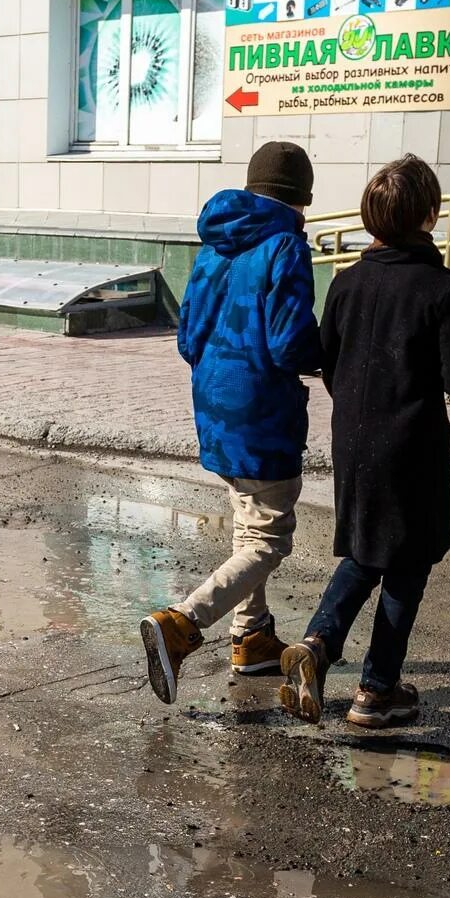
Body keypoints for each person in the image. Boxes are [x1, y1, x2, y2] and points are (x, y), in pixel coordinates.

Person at [277, 156, 450, 729]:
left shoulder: (346, 283)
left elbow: (328, 363)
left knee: (367, 549)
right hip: (412, 444)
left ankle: (316, 646)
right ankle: (376, 689)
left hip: (354, 439)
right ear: (431, 216)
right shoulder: (446, 289)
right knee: (409, 563)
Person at [138, 141, 324, 703]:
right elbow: (290, 342)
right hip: (262, 412)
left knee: (247, 526)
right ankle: (181, 625)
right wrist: (332, 351)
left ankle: (252, 641)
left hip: (214, 407)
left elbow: (188, 336)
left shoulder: (215, 245)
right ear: (302, 200)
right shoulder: (285, 245)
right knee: (270, 540)